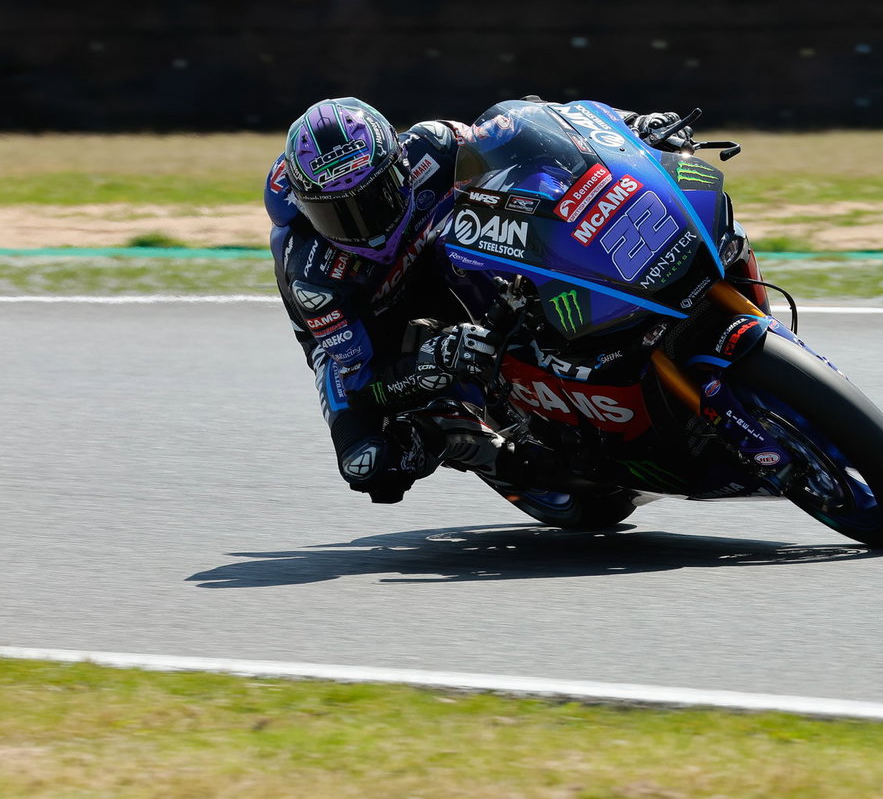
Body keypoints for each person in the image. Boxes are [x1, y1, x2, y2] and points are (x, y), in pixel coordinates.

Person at [265, 96, 694, 503]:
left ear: (399, 166)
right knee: (370, 465)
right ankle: (467, 441)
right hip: (368, 330)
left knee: (489, 222)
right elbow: (360, 380)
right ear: (306, 208)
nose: (364, 225)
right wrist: (435, 357)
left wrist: (633, 126)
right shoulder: (313, 275)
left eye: (373, 198)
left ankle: (581, 326)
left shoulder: (433, 145)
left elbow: (535, 126)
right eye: (337, 213)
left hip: (448, 256)